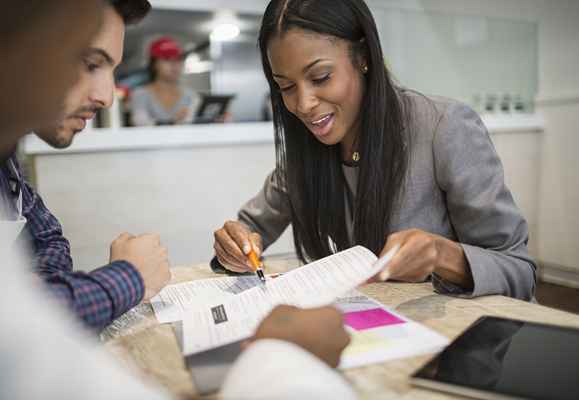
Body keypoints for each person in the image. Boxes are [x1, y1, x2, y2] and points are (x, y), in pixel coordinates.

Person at [1, 1, 356, 399]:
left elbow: (47, 250)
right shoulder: (301, 164)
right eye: (87, 62)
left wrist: (41, 288)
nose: (106, 96)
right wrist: (278, 355)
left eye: (321, 77)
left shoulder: (8, 168)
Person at [213, 0, 537, 301]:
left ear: (363, 57)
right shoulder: (306, 150)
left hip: (455, 346)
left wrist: (442, 255)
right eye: (285, 87)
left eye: (321, 77)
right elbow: (251, 229)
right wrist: (236, 244)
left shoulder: (444, 126)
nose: (303, 104)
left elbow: (518, 270)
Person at [0, 0, 172, 331]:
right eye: (91, 64)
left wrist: (39, 298)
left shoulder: (8, 155)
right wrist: (129, 277)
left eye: (112, 70)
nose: (106, 96)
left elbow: (49, 240)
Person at [130, 36, 200, 126]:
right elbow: (140, 123)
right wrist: (174, 121)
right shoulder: (140, 94)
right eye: (167, 59)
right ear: (154, 64)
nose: (174, 65)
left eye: (178, 59)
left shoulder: (191, 95)